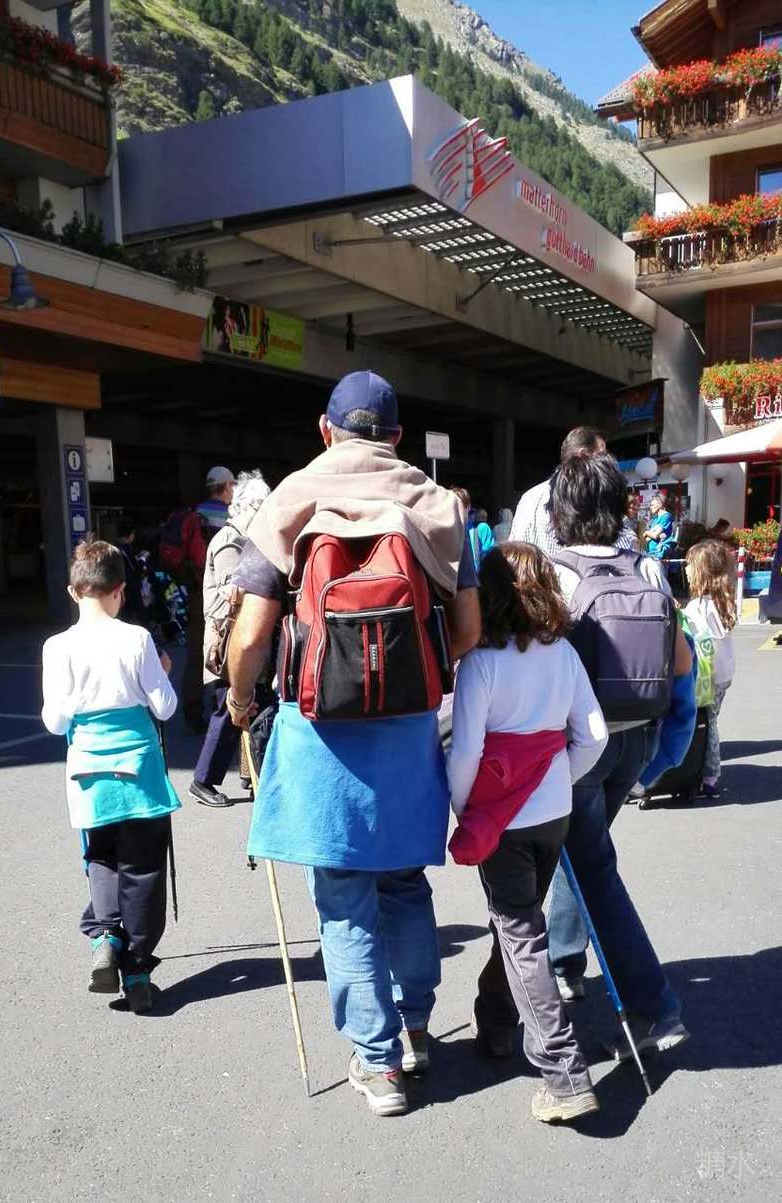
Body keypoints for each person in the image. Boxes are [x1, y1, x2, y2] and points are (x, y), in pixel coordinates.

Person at [226, 370, 481, 1117]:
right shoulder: (436, 504)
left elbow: (251, 635)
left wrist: (241, 700)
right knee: (404, 882)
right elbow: (468, 630)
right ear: (398, 436)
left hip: (321, 736)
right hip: (407, 736)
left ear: (325, 429)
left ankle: (377, 1063)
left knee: (342, 901)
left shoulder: (292, 498)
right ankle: (416, 1028)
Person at [448, 543, 607, 1124]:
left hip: (502, 817)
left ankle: (564, 1073)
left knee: (519, 933)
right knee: (520, 924)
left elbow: (466, 750)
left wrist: (465, 809)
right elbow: (593, 736)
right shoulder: (563, 653)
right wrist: (559, 775)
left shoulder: (482, 663)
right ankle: (495, 1022)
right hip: (553, 810)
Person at [545, 454, 692, 1058]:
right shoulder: (649, 568)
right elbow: (681, 662)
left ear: (560, 511)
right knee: (582, 854)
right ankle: (564, 961)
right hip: (634, 740)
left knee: (593, 868)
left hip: (578, 742)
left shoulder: (555, 572)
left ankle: (654, 1005)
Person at [40, 539, 180, 1013]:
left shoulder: (57, 647)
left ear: (73, 591)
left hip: (88, 772)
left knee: (100, 857)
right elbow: (165, 707)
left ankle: (105, 938)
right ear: (120, 590)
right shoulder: (136, 639)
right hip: (139, 772)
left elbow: (55, 722)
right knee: (143, 868)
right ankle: (137, 970)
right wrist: (163, 671)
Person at [190, 470, 271, 808]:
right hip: (227, 645)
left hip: (237, 641)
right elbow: (232, 595)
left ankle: (252, 776)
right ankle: (203, 780)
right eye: (261, 507)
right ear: (247, 506)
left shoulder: (243, 539)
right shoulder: (229, 541)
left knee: (252, 706)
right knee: (229, 710)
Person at [510, 426, 635, 556]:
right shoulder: (595, 497)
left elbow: (515, 556)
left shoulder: (529, 497)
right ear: (583, 455)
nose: (607, 461)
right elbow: (621, 553)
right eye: (602, 455)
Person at [182, 468, 236, 733]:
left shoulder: (195, 513)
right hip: (224, 594)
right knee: (226, 649)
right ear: (226, 486)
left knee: (196, 653)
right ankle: (224, 708)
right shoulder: (232, 516)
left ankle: (192, 711)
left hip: (196, 591)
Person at [683, 539, 737, 799]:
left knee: (708, 724)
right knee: (711, 720)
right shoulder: (724, 602)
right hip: (724, 672)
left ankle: (710, 776)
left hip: (707, 676)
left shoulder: (698, 607)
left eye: (689, 565)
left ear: (701, 571)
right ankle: (706, 771)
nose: (685, 569)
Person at [197, 466, 236, 534]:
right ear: (227, 486)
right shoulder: (232, 516)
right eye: (232, 485)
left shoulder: (197, 510)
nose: (233, 489)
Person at [643, 492, 674, 559]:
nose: (650, 507)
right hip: (651, 552)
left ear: (659, 505)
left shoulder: (666, 516)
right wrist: (651, 534)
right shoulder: (654, 519)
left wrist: (646, 533)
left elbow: (654, 535)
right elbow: (647, 539)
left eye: (652, 505)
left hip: (660, 553)